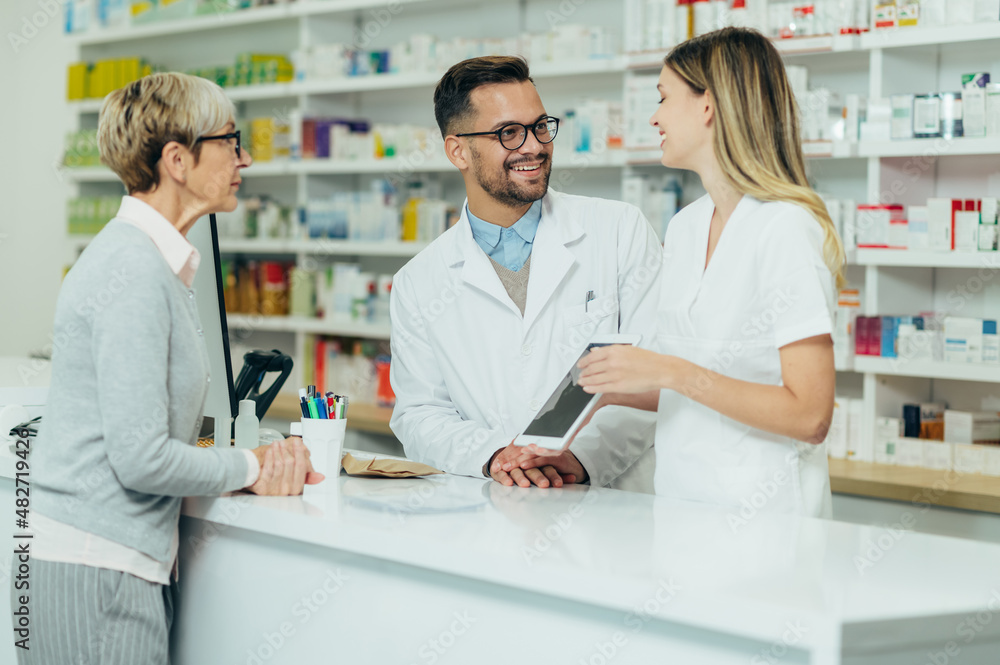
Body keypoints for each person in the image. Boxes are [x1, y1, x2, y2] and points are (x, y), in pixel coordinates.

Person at [20, 73, 322, 665]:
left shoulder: (151, 263)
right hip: (98, 569)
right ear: (178, 160)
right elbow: (140, 458)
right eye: (232, 142)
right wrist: (250, 466)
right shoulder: (132, 271)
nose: (247, 158)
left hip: (105, 561)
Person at [522, 28, 844, 517]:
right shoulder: (687, 226)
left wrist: (669, 370)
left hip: (768, 520)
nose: (654, 117)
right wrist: (607, 395)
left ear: (708, 106)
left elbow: (810, 414)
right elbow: (693, 391)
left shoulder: (784, 227)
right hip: (682, 508)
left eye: (664, 98)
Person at [390, 56, 662, 490]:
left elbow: (656, 373)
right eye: (508, 133)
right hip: (493, 509)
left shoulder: (618, 230)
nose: (533, 146)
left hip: (611, 509)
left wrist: (578, 456)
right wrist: (497, 455)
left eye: (540, 126)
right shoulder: (418, 281)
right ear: (458, 150)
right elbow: (419, 414)